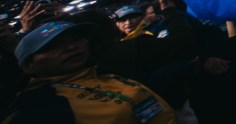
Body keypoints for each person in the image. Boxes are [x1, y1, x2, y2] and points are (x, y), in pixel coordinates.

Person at [2, 21, 176, 123]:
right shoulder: (37, 108)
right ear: (28, 65)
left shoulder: (104, 73)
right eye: (53, 46)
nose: (71, 47)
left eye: (76, 39)